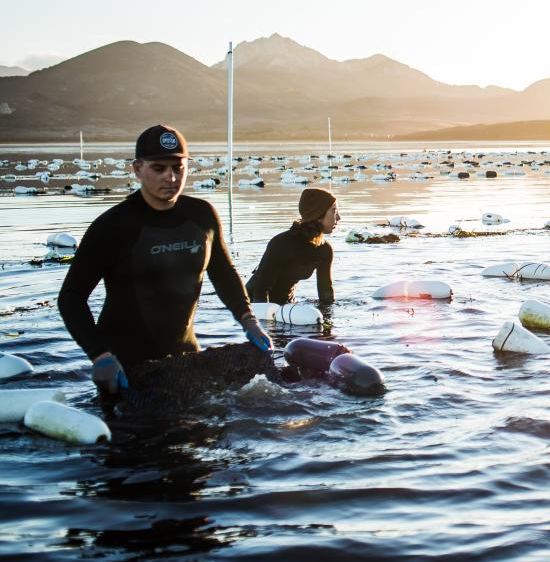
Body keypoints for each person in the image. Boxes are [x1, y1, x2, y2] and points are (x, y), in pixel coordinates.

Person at [57, 124, 272, 395]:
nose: (170, 177)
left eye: (178, 168)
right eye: (159, 168)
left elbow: (224, 272)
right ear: (137, 169)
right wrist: (99, 355)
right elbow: (71, 297)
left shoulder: (202, 216)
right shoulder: (113, 226)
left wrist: (248, 319)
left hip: (186, 359)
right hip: (125, 367)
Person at [246, 188, 339, 305]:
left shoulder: (324, 250)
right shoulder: (281, 243)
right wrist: (265, 321)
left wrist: (327, 320)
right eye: (334, 211)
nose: (339, 217)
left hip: (288, 303)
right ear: (318, 214)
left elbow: (326, 297)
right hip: (250, 302)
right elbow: (260, 292)